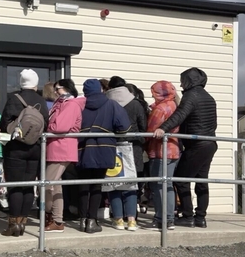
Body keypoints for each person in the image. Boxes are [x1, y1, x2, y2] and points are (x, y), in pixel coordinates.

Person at [153, 67, 217, 228]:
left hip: (196, 145)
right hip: (210, 143)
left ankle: (188, 216)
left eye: (183, 81)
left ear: (189, 80)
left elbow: (180, 115)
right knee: (201, 181)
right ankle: (201, 217)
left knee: (181, 180)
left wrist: (163, 128)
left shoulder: (191, 96)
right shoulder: (208, 97)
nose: (181, 85)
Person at [77, 79, 131, 233]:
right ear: (100, 89)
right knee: (96, 186)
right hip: (104, 148)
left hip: (82, 148)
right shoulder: (112, 104)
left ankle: (81, 220)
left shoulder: (80, 105)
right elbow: (125, 127)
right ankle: (92, 221)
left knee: (82, 184)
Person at [0, 69, 48, 237]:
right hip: (35, 148)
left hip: (16, 149)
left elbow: (4, 123)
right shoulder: (41, 100)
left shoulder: (14, 98)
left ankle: (13, 224)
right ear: (35, 83)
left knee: (15, 186)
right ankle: (23, 223)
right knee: (29, 186)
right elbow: (46, 125)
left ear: (21, 82)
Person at [105, 76, 147, 231]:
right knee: (131, 185)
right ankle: (131, 220)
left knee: (113, 184)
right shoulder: (135, 104)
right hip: (133, 147)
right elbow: (143, 126)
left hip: (112, 146)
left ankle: (118, 219)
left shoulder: (107, 103)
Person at [44, 79, 85, 233]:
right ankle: (57, 219)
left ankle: (51, 216)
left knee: (47, 183)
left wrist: (48, 126)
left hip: (62, 148)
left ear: (67, 88)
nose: (55, 91)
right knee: (55, 185)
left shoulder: (71, 104)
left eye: (58, 88)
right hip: (56, 147)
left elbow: (61, 126)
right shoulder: (61, 103)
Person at [147, 81, 180, 230]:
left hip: (160, 151)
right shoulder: (174, 105)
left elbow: (151, 130)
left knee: (158, 185)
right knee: (168, 185)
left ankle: (162, 218)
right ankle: (170, 218)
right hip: (174, 150)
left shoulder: (160, 109)